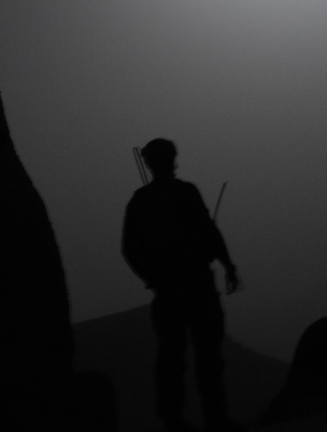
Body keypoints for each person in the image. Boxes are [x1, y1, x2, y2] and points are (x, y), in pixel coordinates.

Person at [122, 139, 241, 432]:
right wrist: (228, 265)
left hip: (177, 289)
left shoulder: (144, 200)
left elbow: (130, 248)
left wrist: (154, 278)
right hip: (190, 286)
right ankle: (207, 420)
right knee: (192, 357)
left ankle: (185, 420)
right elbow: (209, 231)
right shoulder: (180, 193)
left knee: (181, 356)